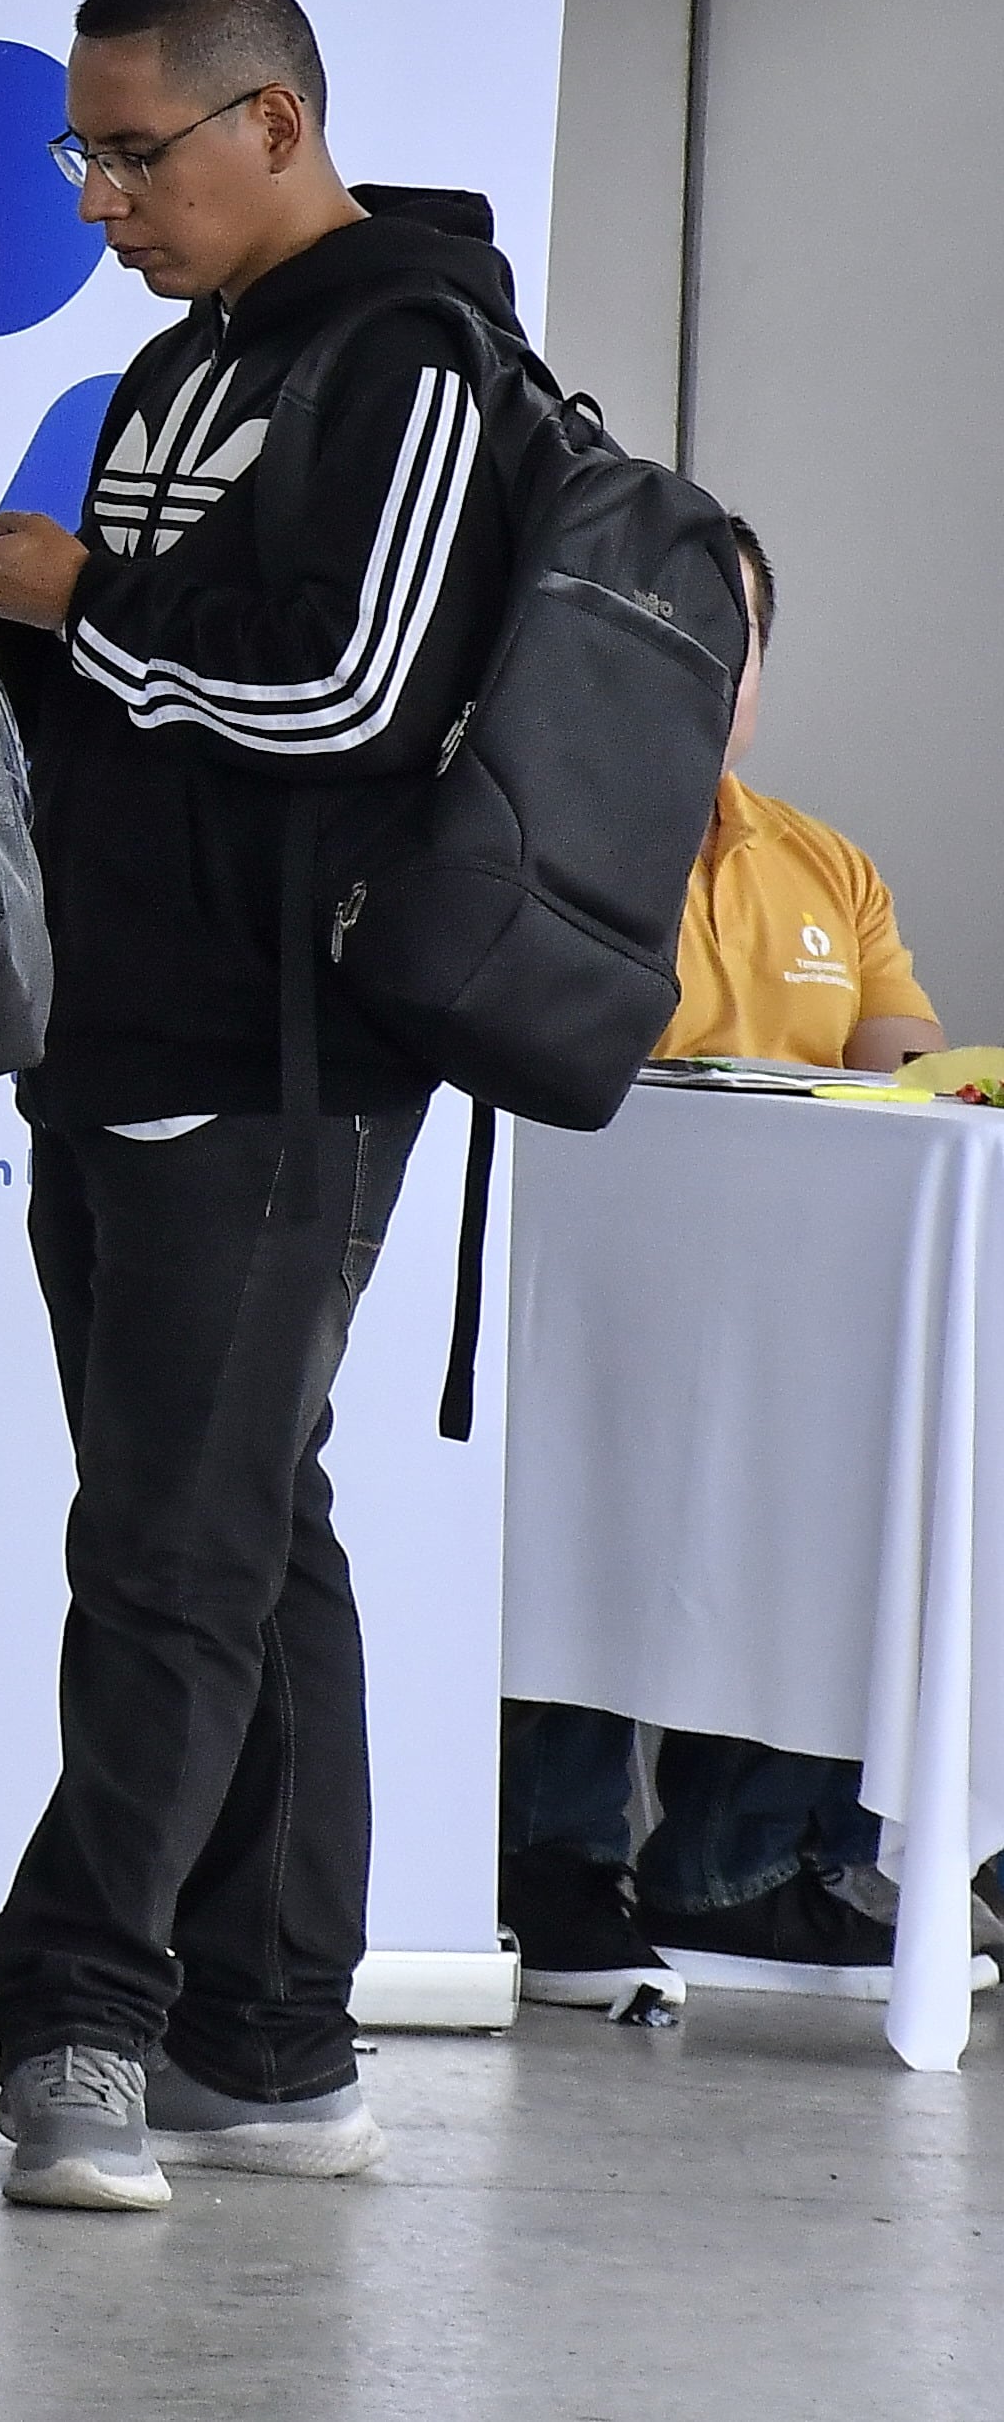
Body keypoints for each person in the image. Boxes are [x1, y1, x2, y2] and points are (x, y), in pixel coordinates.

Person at [0, 0, 521, 2212]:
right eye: (81, 151)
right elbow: (159, 705)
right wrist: (6, 608)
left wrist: (82, 604)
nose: (97, 194)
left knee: (176, 1545)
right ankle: (274, 2035)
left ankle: (84, 2015)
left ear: (273, 124)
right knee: (247, 1527)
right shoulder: (186, 373)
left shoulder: (421, 358)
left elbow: (354, 698)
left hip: (286, 1058)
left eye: (129, 148)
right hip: (118, 1023)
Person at [502, 516, 961, 2009]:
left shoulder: (825, 864)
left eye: (737, 639)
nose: (711, 669)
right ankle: (542, 1864)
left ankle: (746, 1867)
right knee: (569, 1501)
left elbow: (901, 1064)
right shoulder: (527, 827)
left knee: (850, 1491)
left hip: (799, 1319)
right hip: (580, 1298)